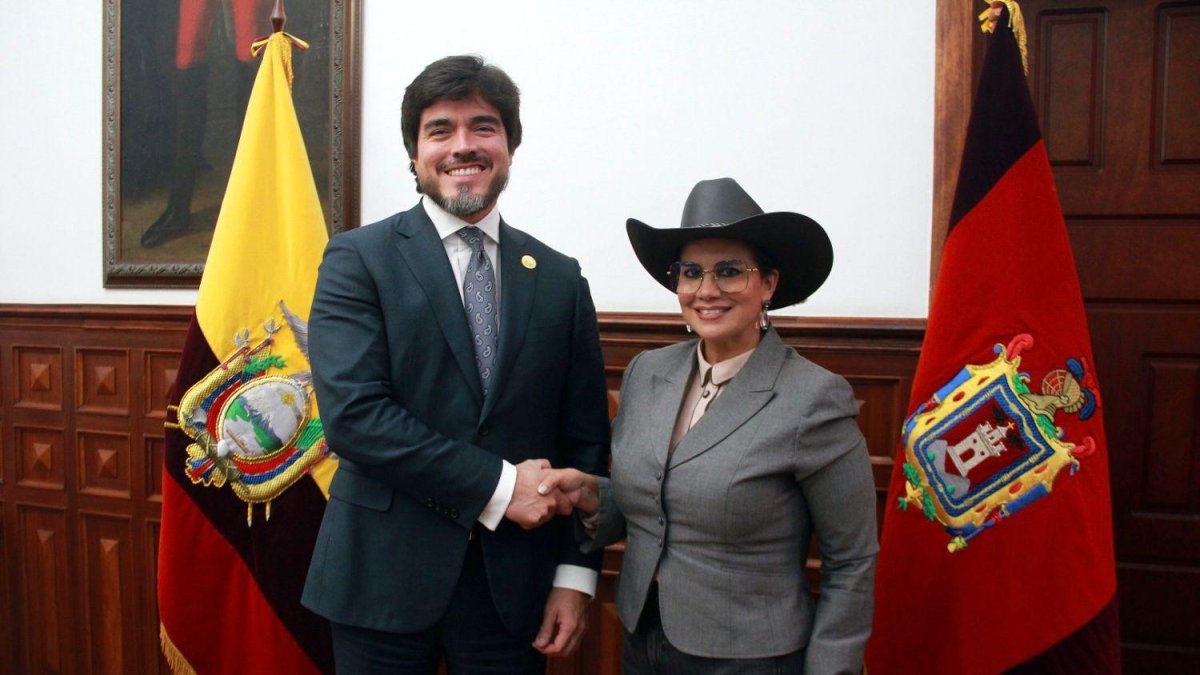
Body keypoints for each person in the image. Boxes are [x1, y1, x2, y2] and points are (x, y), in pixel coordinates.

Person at [301, 55, 610, 673]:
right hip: (380, 584)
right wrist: (501, 488)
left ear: (510, 145)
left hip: (513, 592)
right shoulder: (356, 260)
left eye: (483, 126)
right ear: (414, 153)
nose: (462, 146)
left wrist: (575, 576)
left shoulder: (559, 278)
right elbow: (356, 419)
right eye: (440, 130)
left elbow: (585, 441)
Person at [540, 178, 878, 673]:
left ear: (768, 284)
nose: (707, 290)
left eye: (730, 272)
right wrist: (595, 495)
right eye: (691, 271)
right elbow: (659, 507)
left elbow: (852, 562)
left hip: (751, 658)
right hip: (641, 640)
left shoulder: (813, 398)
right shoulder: (646, 373)